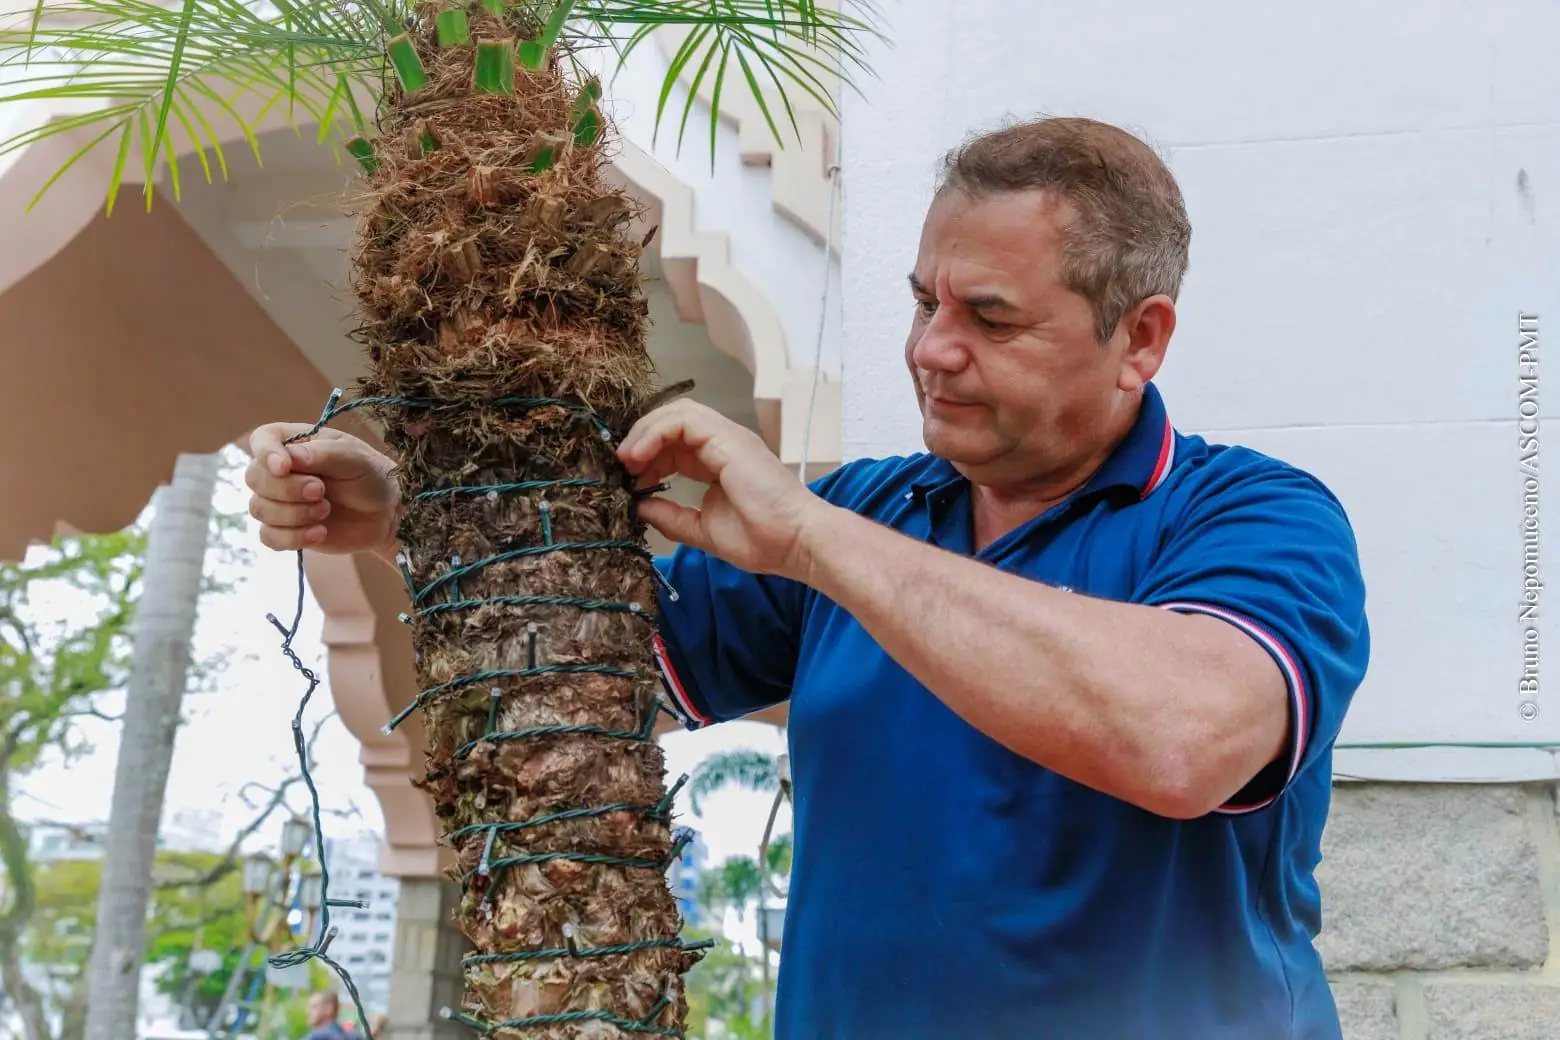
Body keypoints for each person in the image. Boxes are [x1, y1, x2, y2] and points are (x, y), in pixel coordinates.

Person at [244, 116, 1369, 1039]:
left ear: (1141, 338)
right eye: (925, 300)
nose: (932, 347)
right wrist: (411, 517)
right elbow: (589, 664)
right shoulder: (873, 510)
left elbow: (1183, 738)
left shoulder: (1256, 515)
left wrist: (808, 537)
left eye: (990, 316)